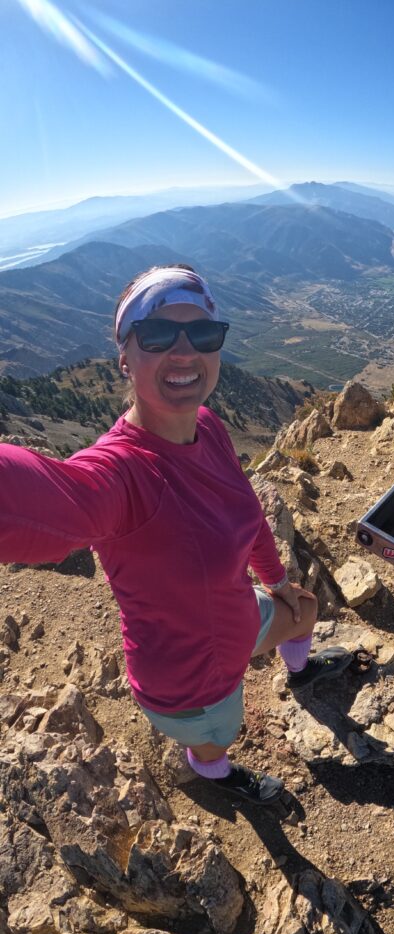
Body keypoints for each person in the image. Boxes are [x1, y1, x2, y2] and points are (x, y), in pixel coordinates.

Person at [0, 264, 352, 805]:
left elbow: (249, 512)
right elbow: (40, 500)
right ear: (124, 356)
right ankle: (215, 773)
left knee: (304, 608)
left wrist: (277, 579)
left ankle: (301, 676)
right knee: (220, 737)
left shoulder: (207, 426)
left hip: (238, 618)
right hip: (190, 684)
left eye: (203, 334)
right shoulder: (120, 477)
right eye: (160, 335)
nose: (185, 351)